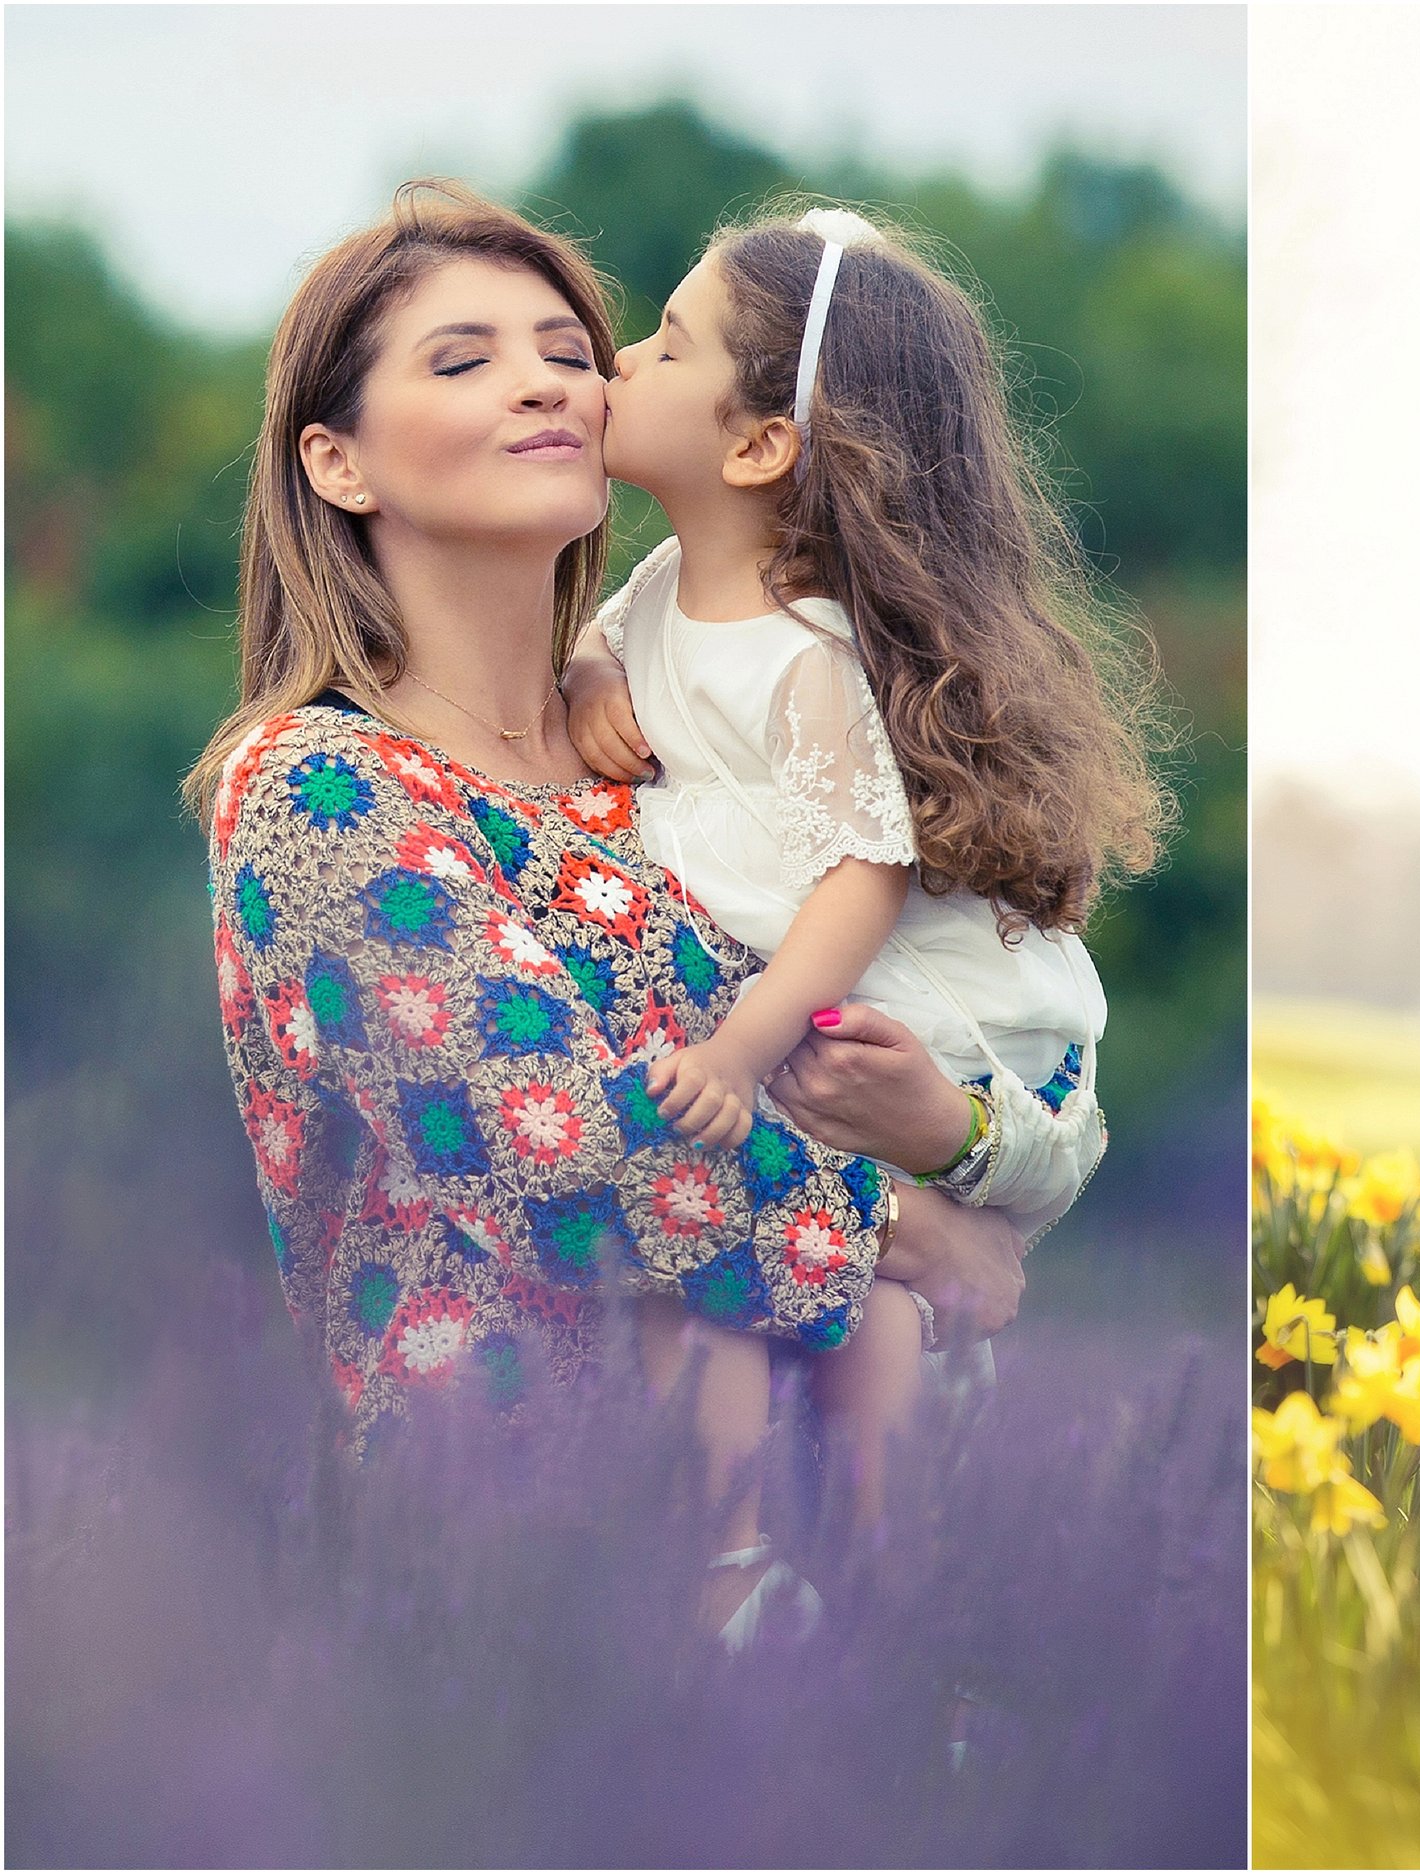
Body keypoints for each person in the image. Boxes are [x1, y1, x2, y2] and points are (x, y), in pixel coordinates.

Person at [186, 181, 1025, 1639]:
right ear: (337, 462)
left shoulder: (673, 764)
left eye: (572, 349)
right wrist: (919, 1232)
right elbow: (558, 1160)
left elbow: (925, 1004)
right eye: (462, 361)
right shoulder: (322, 788)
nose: (545, 380)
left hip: (833, 1576)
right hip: (531, 1580)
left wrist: (983, 1144)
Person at [560, 203, 1169, 1527]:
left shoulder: (809, 652)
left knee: (876, 1316)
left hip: (873, 1001)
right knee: (724, 1296)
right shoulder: (666, 580)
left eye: (665, 346)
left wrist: (735, 1052)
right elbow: (609, 642)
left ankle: (896, 1582)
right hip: (790, 1004)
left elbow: (861, 876)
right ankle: (739, 1564)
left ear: (762, 440)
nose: (615, 361)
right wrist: (589, 668)